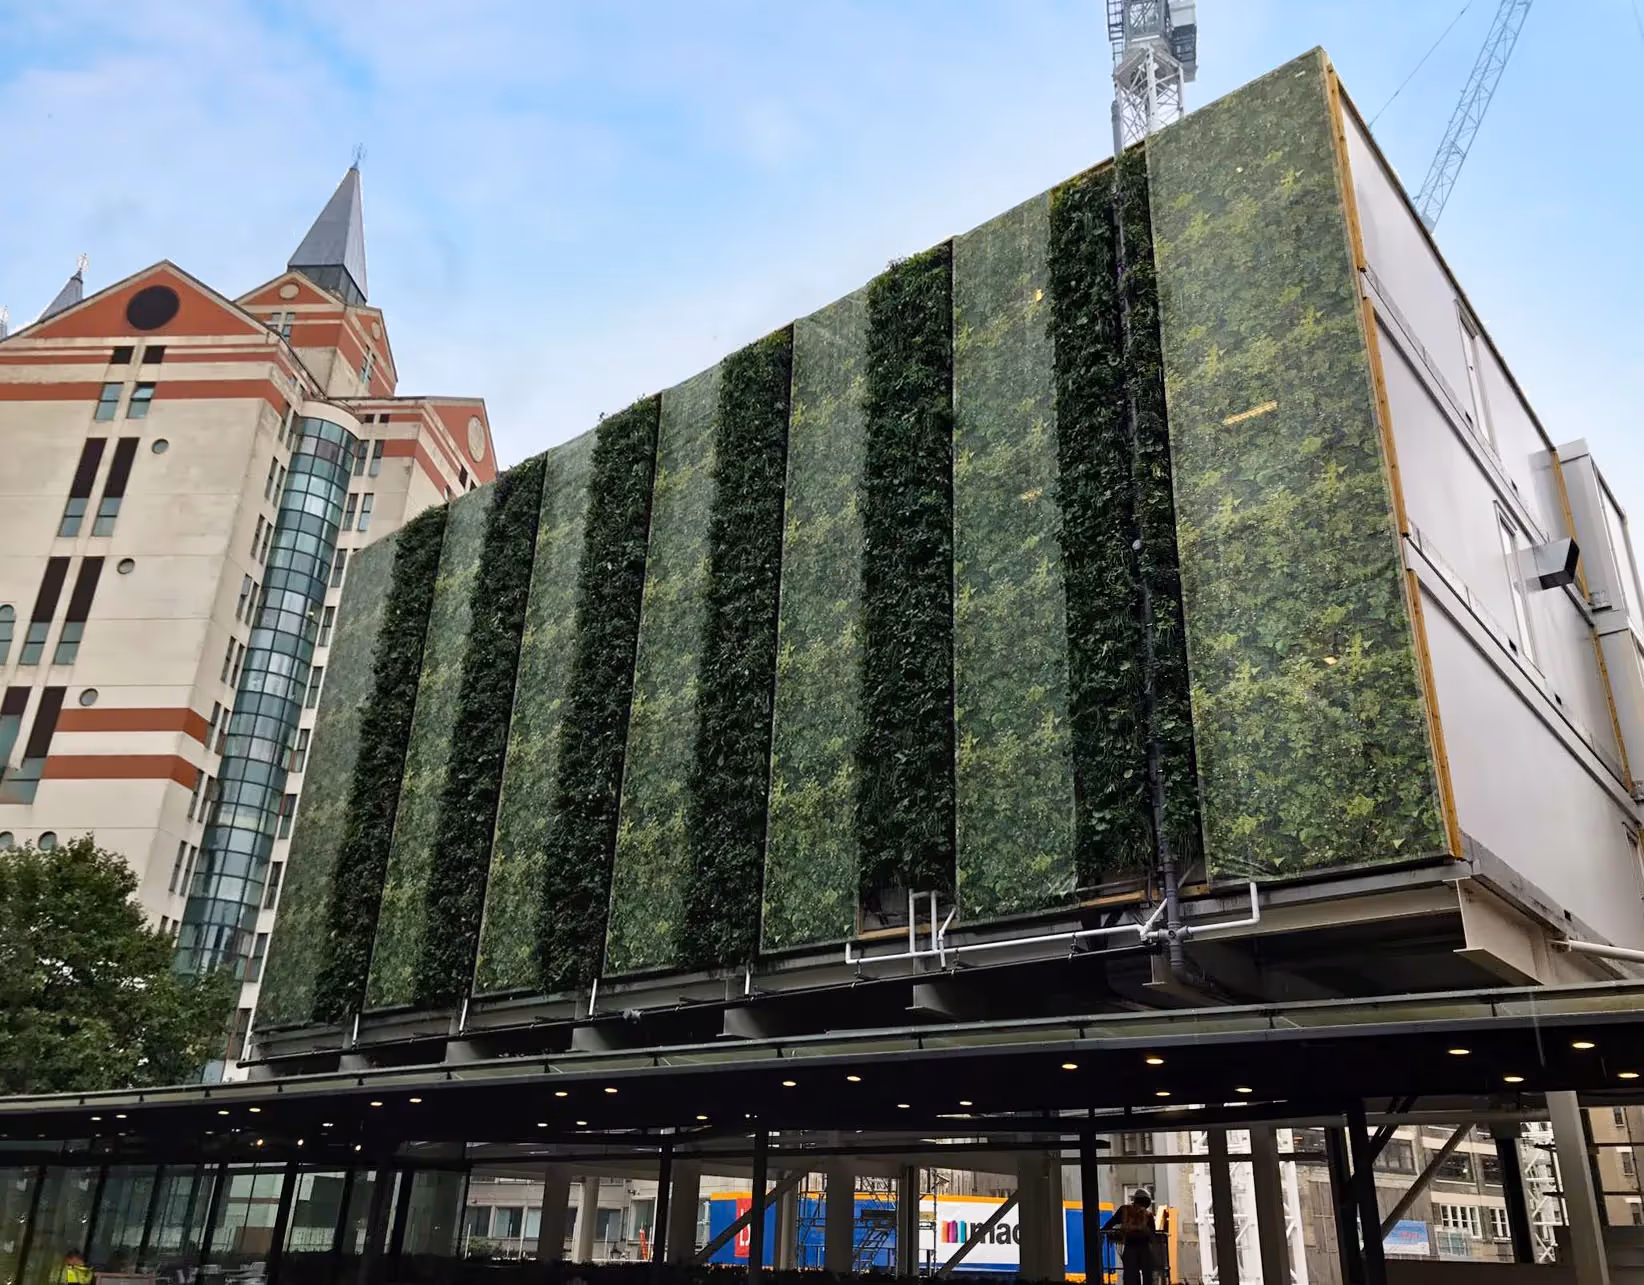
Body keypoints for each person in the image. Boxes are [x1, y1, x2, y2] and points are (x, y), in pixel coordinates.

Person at [1102, 1190, 1157, 1285]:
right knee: (1147, 1275)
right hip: (1144, 1247)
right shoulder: (1148, 1215)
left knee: (1130, 1275)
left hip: (1129, 1246)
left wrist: (1104, 1231)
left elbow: (1112, 1222)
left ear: (1135, 1199)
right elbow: (1152, 1233)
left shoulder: (1124, 1210)